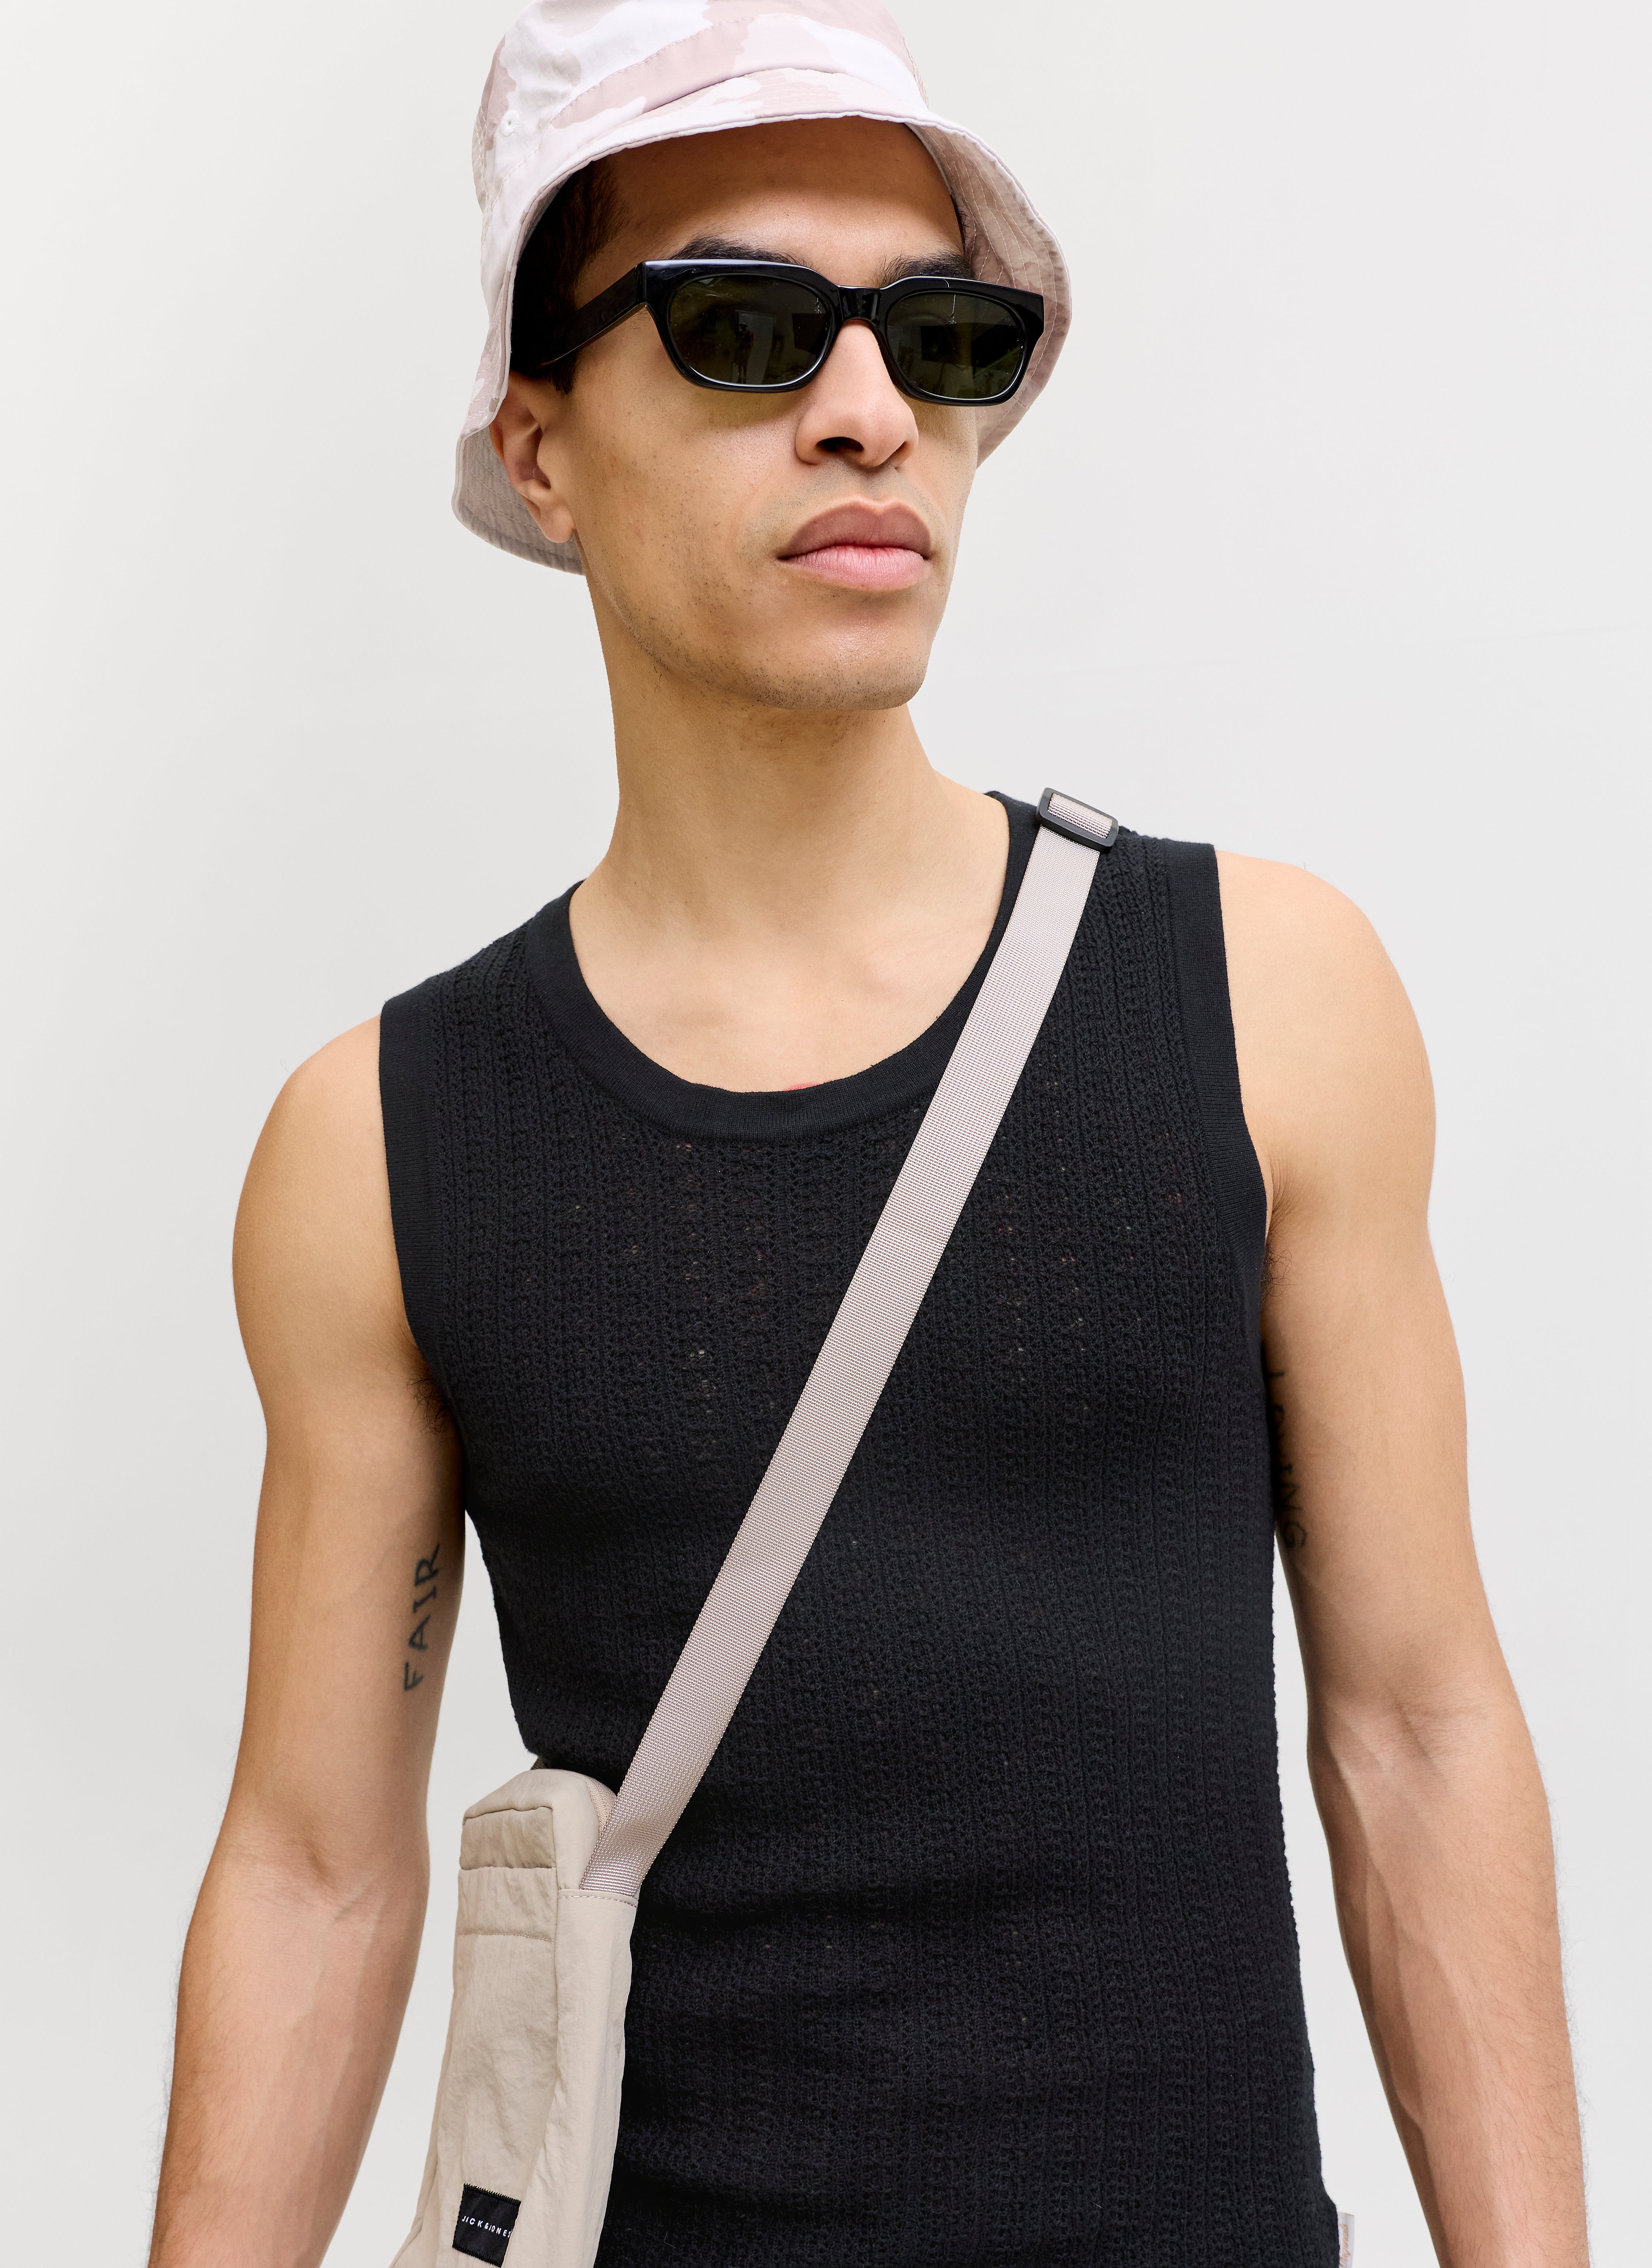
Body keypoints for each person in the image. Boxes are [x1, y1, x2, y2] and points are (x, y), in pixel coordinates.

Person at [147, 4, 1588, 2264]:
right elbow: (317, 1868)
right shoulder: (381, 1148)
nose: (865, 411)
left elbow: (1416, 1730)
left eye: (941, 336)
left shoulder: (1265, 1000)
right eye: (740, 327)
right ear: (539, 447)